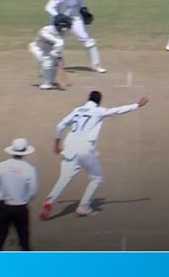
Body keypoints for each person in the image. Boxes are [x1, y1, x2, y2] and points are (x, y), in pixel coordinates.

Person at [40, 91, 149, 219]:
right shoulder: (98, 111)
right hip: (85, 148)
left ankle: (50, 201)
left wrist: (56, 144)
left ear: (88, 99)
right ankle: (83, 207)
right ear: (99, 101)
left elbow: (60, 125)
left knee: (64, 178)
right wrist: (137, 105)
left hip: (69, 147)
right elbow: (117, 111)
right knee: (97, 178)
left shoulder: (77, 110)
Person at [45, 0, 106, 73]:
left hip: (74, 20)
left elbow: (80, 3)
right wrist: (57, 16)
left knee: (89, 41)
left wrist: (84, 10)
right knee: (57, 44)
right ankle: (48, 67)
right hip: (61, 22)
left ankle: (96, 66)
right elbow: (48, 7)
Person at [0, 138, 38, 251]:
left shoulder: (1, 166)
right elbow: (33, 191)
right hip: (20, 208)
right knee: (24, 241)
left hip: (3, 206)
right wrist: (24, 199)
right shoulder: (30, 169)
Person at [28, 14, 73, 90]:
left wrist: (59, 56)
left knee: (54, 62)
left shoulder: (62, 32)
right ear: (60, 25)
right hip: (38, 49)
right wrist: (56, 53)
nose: (66, 28)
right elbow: (57, 42)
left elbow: (59, 45)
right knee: (49, 62)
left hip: (50, 50)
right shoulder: (45, 31)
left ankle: (49, 80)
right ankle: (45, 84)